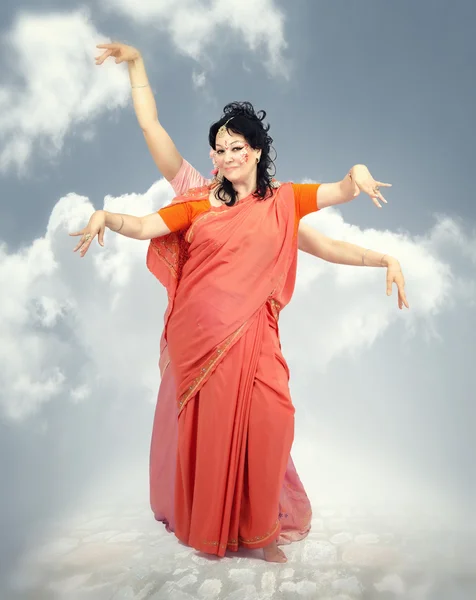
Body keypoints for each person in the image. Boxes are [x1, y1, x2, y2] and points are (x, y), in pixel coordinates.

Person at [70, 43, 409, 564]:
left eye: (234, 148)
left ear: (254, 151)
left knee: (274, 419)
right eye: (218, 149)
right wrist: (106, 216)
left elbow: (335, 218)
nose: (225, 158)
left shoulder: (282, 203)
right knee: (214, 436)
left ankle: (258, 529)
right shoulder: (197, 198)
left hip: (257, 334)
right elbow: (144, 212)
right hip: (200, 340)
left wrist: (375, 231)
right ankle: (233, 535)